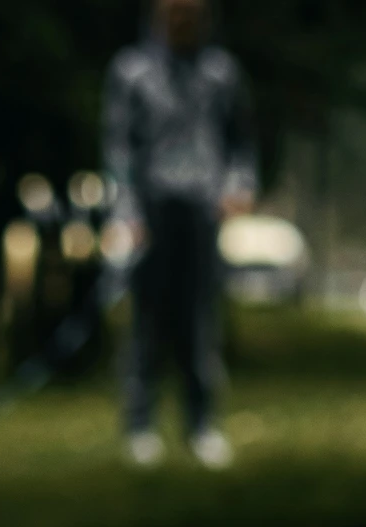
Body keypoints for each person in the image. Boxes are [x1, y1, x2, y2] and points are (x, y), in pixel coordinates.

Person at [103, 0, 257, 469]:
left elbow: (241, 142)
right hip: (151, 208)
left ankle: (202, 426)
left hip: (201, 207)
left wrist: (238, 188)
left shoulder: (220, 73)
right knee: (146, 324)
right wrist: (125, 211)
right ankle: (140, 427)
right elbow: (118, 147)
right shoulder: (131, 72)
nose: (184, 20)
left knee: (199, 323)